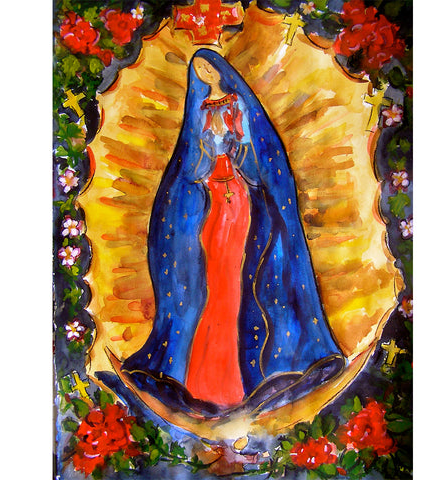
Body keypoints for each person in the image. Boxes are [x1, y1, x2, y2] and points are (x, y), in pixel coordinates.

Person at [121, 49, 345, 416]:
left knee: (233, 279)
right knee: (212, 280)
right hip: (210, 203)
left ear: (220, 70)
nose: (205, 73)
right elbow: (190, 168)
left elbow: (257, 165)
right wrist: (207, 154)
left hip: (239, 202)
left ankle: (239, 384)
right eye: (199, 69)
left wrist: (234, 149)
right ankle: (202, 383)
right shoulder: (199, 110)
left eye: (208, 67)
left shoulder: (238, 104)